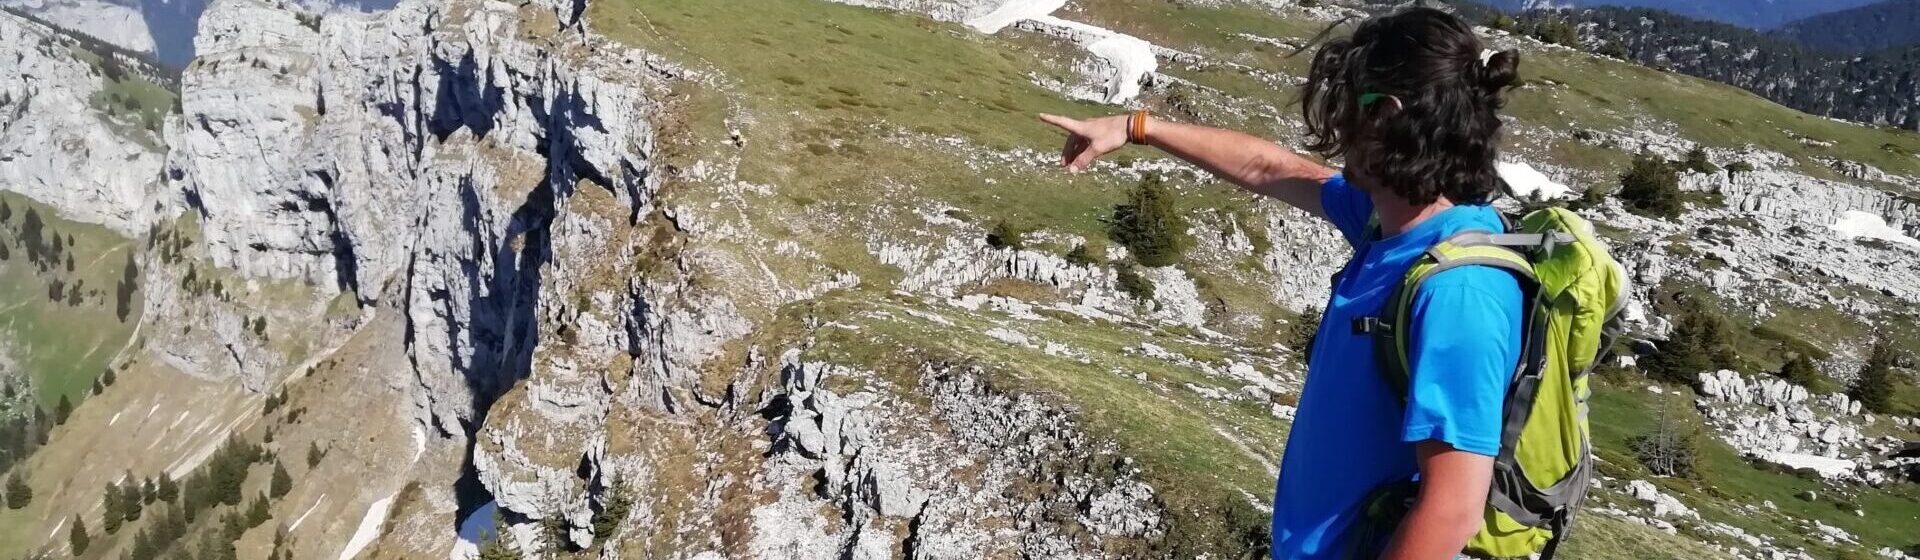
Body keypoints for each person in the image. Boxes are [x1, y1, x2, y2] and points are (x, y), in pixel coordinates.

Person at [1039, 8, 1524, 560]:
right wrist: (1135, 127)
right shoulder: (1387, 219)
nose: (1338, 130)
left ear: (1385, 116)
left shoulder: (1460, 292)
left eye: (1348, 107)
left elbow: (1452, 509)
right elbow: (1270, 168)